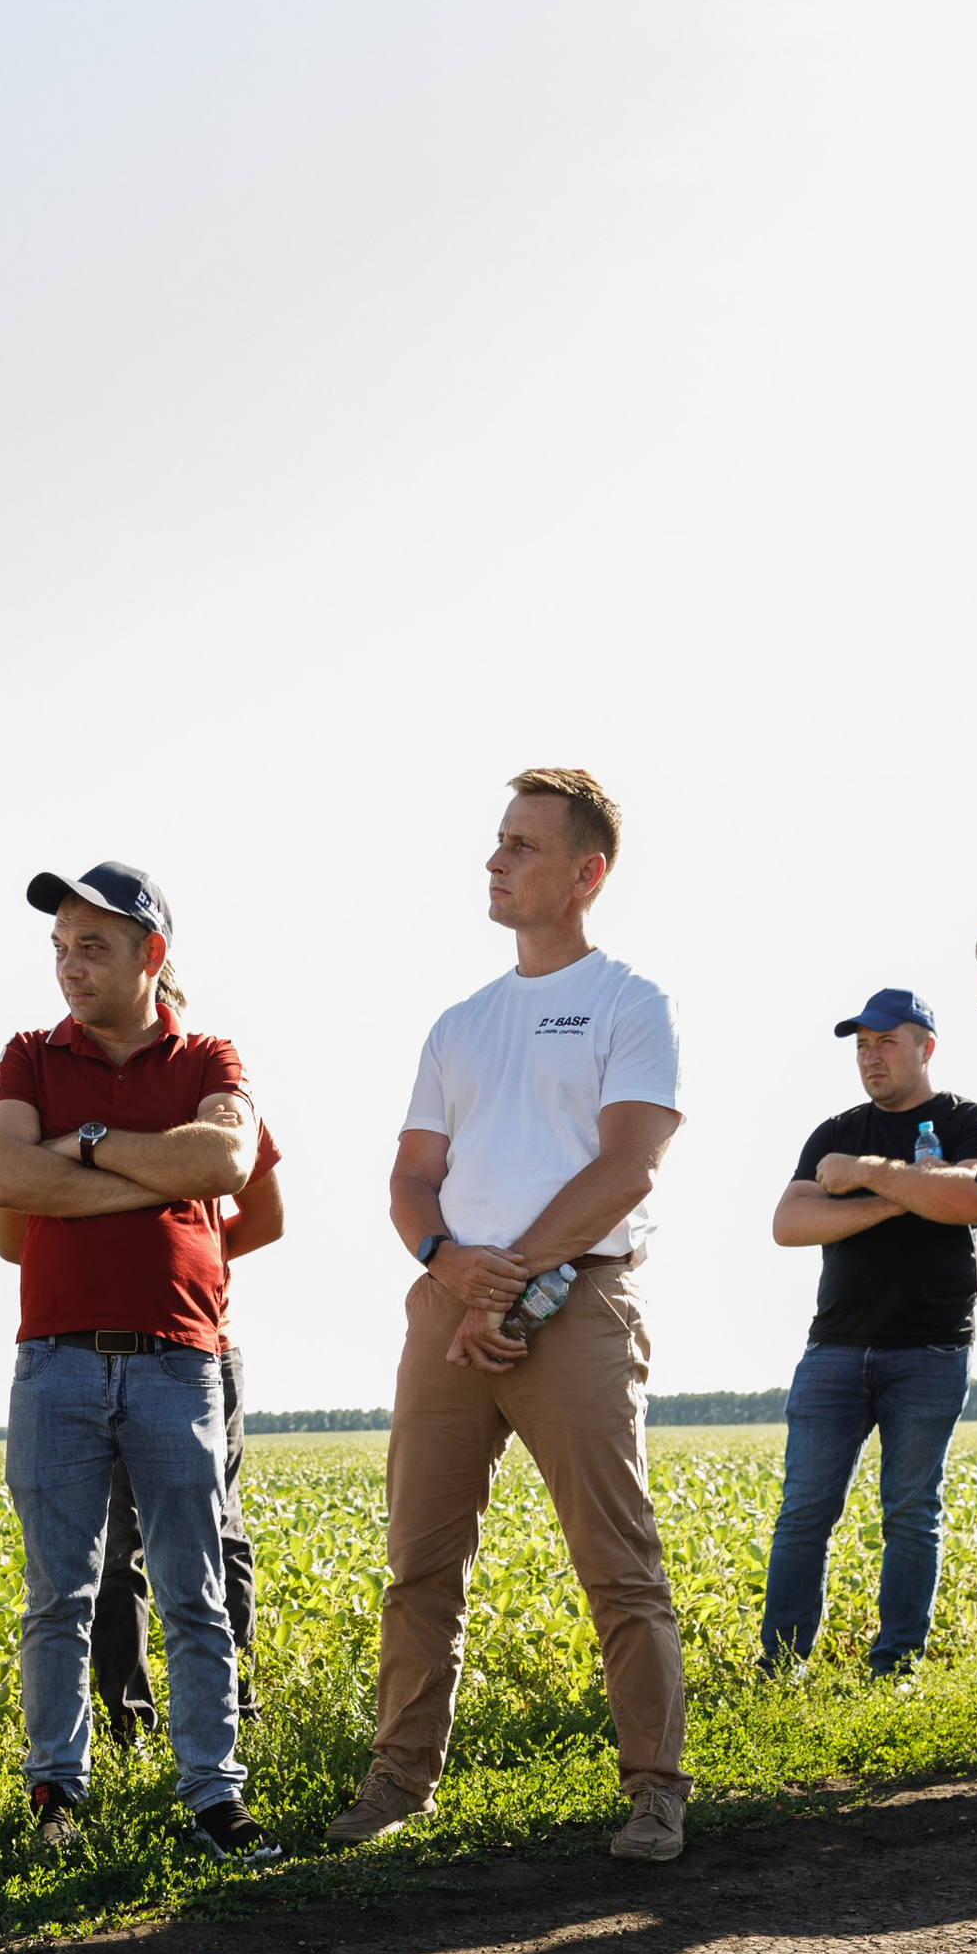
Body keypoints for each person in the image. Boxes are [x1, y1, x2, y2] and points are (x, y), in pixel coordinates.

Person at [331, 767, 686, 1860]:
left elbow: (628, 1165)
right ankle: (397, 1783)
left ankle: (655, 1792)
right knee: (419, 1563)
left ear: (588, 872)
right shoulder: (460, 1023)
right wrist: (451, 1266)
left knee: (616, 1563)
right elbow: (408, 1179)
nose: (494, 861)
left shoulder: (631, 1003)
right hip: (447, 1310)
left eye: (522, 846)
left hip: (575, 1305)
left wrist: (517, 1274)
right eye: (495, 841)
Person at [0, 860, 270, 1861]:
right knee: (58, 1594)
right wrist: (152, 1172)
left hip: (177, 1358)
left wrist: (87, 1147)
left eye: (92, 946)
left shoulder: (209, 1055)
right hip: (55, 1360)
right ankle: (56, 1794)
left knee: (193, 1588)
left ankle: (213, 1797)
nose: (69, 964)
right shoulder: (27, 1053)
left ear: (152, 955)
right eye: (60, 946)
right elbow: (7, 1176)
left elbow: (226, 1164)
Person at [764, 985, 977, 1675]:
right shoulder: (834, 1131)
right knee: (804, 1511)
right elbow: (789, 1223)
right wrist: (905, 1197)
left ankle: (895, 1666)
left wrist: (864, 1179)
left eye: (886, 1042)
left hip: (930, 1346)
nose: (871, 1057)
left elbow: (975, 1198)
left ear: (926, 1046)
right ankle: (781, 1667)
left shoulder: (972, 1121)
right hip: (834, 1347)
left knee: (911, 1514)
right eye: (862, 1046)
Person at [87, 1130, 277, 1742]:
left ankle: (234, 1700)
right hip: (94, 1352)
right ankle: (128, 1724)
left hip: (204, 1346)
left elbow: (269, 1216)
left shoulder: (216, 1102)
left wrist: (201, 1263)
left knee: (217, 1532)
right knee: (117, 1547)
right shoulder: (65, 1097)